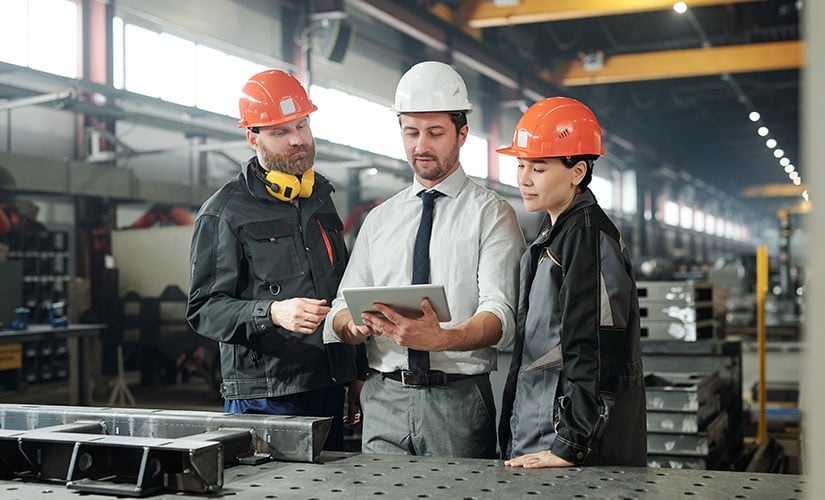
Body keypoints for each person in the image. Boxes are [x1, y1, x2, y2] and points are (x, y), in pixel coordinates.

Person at [323, 61, 524, 458]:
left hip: (457, 401)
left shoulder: (491, 214)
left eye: (435, 133)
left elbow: (501, 315)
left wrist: (443, 339)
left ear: (462, 133)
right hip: (383, 398)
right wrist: (354, 326)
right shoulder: (380, 219)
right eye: (411, 132)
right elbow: (339, 310)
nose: (421, 146)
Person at [186, 69, 365, 451]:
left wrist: (356, 373)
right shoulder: (224, 213)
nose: (298, 140)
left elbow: (345, 292)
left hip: (329, 384)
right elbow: (204, 309)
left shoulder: (320, 199)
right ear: (253, 137)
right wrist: (271, 312)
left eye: (302, 125)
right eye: (281, 132)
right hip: (264, 396)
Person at [496, 97, 647, 468]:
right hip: (543, 424)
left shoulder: (586, 235)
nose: (524, 179)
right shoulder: (558, 230)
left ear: (577, 171)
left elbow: (594, 346)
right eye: (520, 165)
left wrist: (571, 444)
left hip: (568, 438)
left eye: (539, 168)